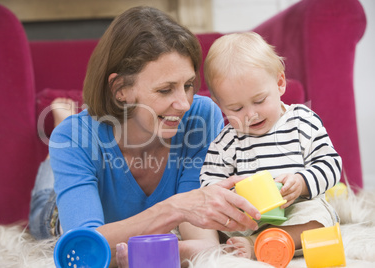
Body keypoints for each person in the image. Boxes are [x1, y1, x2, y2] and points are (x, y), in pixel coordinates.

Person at [28, 7, 262, 267]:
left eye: (187, 85)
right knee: (54, 182)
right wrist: (174, 208)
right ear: (121, 90)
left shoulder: (201, 117)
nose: (184, 103)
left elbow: (205, 244)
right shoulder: (74, 137)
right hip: (54, 210)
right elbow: (83, 249)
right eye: (165, 90)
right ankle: (59, 136)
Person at [199, 32, 342, 259]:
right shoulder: (226, 141)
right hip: (250, 218)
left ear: (279, 83)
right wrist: (233, 197)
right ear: (219, 105)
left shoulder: (302, 121)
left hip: (297, 210)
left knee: (319, 220)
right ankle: (256, 241)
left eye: (259, 101)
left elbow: (330, 163)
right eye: (236, 109)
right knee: (204, 222)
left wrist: (302, 182)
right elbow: (209, 183)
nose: (251, 114)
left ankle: (260, 243)